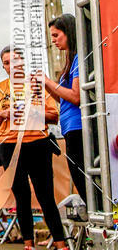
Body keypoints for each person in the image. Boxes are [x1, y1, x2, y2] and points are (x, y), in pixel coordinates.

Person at [0, 46, 77, 250]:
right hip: (9, 146)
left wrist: (31, 112)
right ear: (4, 66)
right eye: (7, 63)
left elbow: (54, 115)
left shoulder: (37, 86)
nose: (11, 67)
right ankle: (29, 248)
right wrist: (3, 113)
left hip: (37, 143)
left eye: (15, 62)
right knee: (21, 196)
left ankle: (61, 249)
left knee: (46, 196)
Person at [43, 14, 87, 203]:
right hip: (69, 126)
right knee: (77, 174)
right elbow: (63, 99)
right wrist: (47, 85)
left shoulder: (79, 59)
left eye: (56, 35)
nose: (53, 41)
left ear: (68, 32)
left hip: (78, 126)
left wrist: (48, 82)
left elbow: (76, 96)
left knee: (81, 175)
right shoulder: (69, 62)